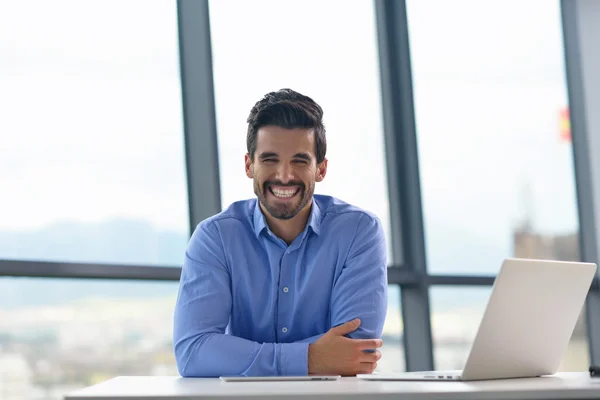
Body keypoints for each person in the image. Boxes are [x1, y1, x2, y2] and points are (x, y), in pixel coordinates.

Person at [173, 88, 388, 377]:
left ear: (320, 169)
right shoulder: (216, 238)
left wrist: (239, 356)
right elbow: (194, 353)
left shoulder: (358, 231)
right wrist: (311, 358)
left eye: (299, 161)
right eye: (270, 159)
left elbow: (355, 350)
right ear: (250, 165)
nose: (284, 176)